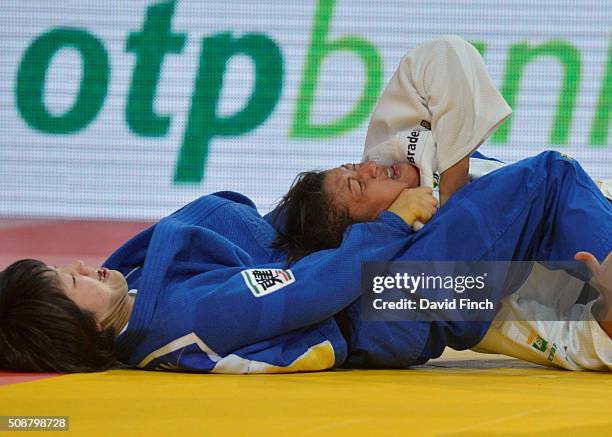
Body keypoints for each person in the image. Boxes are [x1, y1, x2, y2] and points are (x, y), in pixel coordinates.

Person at [1, 151, 611, 373]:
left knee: (528, 256)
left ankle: (600, 311)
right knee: (547, 181)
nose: (84, 265)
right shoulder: (187, 314)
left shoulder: (135, 296)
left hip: (383, 300)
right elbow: (303, 291)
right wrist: (395, 222)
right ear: (70, 327)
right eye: (70, 282)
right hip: (386, 305)